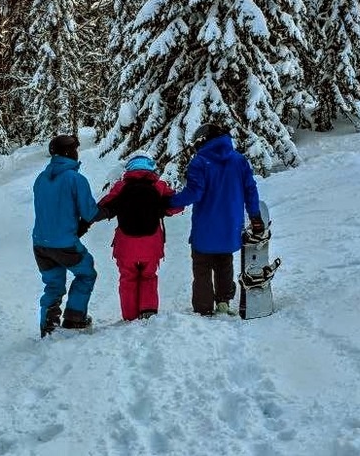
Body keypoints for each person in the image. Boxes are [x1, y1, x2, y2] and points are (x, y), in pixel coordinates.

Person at [167, 124, 264, 316]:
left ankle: (203, 308)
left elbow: (194, 193)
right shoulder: (239, 160)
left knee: (202, 267)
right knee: (224, 263)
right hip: (230, 225)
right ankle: (223, 301)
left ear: (204, 140)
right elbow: (250, 190)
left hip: (205, 225)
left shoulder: (200, 161)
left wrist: (170, 201)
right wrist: (255, 217)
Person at [32, 134, 104, 337]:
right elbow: (90, 212)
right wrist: (106, 211)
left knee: (53, 284)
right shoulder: (75, 179)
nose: (77, 152)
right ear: (68, 152)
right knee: (86, 273)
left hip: (40, 244)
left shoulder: (41, 178)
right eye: (75, 149)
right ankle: (75, 318)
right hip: (65, 244)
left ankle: (48, 325)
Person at [98, 153, 182, 321]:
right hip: (151, 244)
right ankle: (148, 312)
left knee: (127, 278)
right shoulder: (159, 186)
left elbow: (103, 206)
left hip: (126, 245)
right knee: (149, 276)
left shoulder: (120, 187)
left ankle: (129, 316)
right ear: (150, 168)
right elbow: (176, 206)